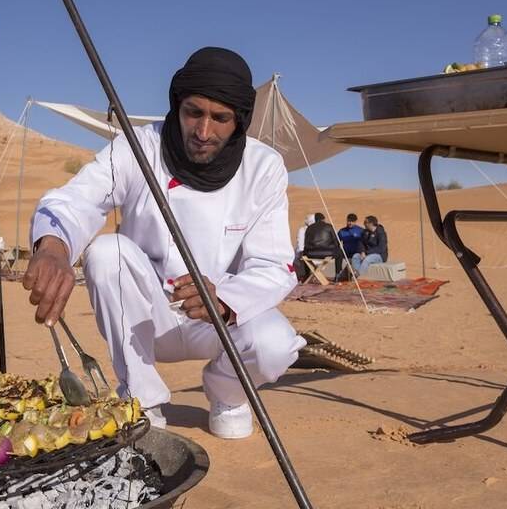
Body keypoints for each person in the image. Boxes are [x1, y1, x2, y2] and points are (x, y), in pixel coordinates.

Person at [24, 47, 305, 440]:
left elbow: (274, 265)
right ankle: (142, 400)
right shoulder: (139, 146)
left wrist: (225, 299)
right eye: (194, 112)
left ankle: (228, 393)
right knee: (107, 252)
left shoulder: (264, 167)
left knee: (275, 343)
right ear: (177, 105)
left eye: (220, 118)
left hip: (218, 319)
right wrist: (53, 246)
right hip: (145, 318)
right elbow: (78, 197)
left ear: (239, 121)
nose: (203, 131)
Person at [297, 212, 339, 280]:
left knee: (304, 252)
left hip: (310, 254)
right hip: (327, 253)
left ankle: (307, 275)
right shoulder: (329, 226)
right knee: (340, 252)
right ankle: (337, 274)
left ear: (315, 219)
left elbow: (306, 243)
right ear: (324, 219)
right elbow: (336, 241)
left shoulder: (309, 228)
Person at [337, 213, 363, 279]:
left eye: (352, 221)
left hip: (356, 254)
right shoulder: (341, 231)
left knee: (353, 260)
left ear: (355, 221)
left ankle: (353, 274)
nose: (350, 223)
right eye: (349, 221)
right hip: (345, 254)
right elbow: (337, 243)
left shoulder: (361, 231)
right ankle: (338, 273)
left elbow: (364, 244)